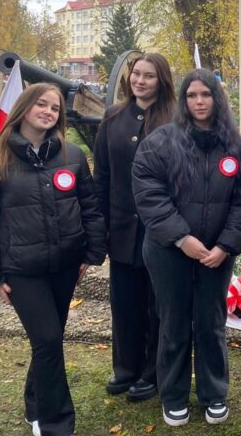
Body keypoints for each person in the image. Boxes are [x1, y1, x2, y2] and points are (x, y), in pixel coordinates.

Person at [0, 83, 106, 436]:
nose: (48, 112)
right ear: (24, 108)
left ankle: (34, 402)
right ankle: (55, 422)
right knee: (46, 339)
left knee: (50, 338)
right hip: (21, 269)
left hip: (63, 265)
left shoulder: (71, 156)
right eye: (41, 104)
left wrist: (91, 252)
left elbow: (89, 208)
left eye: (55, 108)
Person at [132, 68, 241, 427]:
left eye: (206, 95)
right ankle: (173, 396)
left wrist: (225, 245)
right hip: (169, 249)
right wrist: (181, 238)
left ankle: (214, 393)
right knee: (173, 321)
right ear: (184, 101)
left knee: (210, 322)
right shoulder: (161, 142)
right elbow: (149, 194)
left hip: (214, 255)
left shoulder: (237, 148)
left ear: (217, 100)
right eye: (192, 96)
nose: (199, 102)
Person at [93, 53, 175, 402]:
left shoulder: (174, 120)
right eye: (136, 74)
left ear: (162, 81)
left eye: (149, 76)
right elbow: (103, 176)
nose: (140, 81)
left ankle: (152, 373)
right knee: (125, 303)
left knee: (158, 304)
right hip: (123, 228)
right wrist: (101, 226)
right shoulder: (113, 118)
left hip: (161, 229)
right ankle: (125, 368)